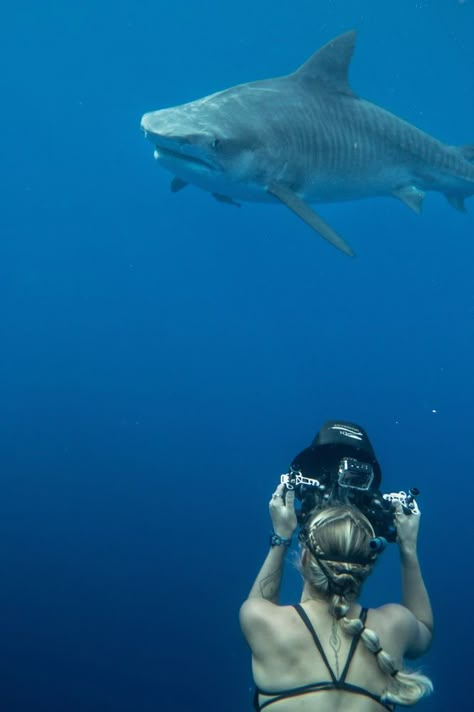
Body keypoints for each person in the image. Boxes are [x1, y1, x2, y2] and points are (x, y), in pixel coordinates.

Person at [240, 483, 434, 711]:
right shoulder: (395, 626)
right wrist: (408, 548)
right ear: (368, 567)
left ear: (303, 559)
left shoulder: (261, 621)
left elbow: (258, 604)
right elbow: (425, 628)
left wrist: (282, 536)